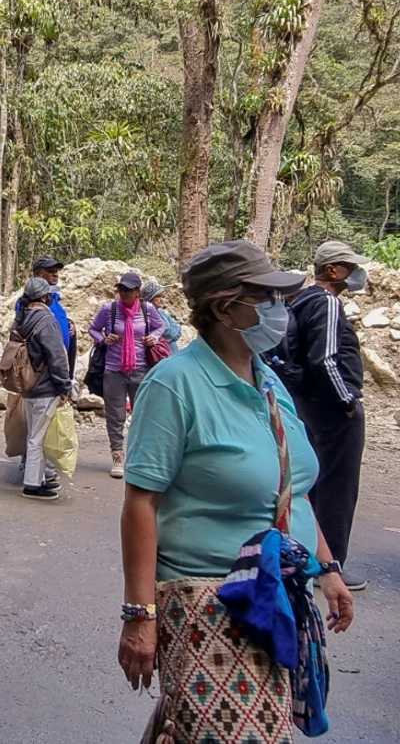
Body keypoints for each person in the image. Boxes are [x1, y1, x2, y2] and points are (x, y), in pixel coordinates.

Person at [118, 241, 354, 742]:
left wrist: (326, 567)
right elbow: (142, 502)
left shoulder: (268, 381)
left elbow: (291, 487)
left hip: (276, 595)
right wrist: (140, 615)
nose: (281, 311)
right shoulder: (174, 385)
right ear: (226, 308)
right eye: (268, 298)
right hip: (209, 601)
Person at [283, 240, 371, 592]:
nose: (354, 275)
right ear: (333, 270)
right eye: (348, 267)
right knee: (338, 486)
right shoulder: (329, 303)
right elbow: (326, 359)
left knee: (313, 483)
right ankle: (331, 563)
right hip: (332, 411)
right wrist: (348, 400)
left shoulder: (301, 301)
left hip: (308, 406)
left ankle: (308, 555)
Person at [87, 271, 165, 479]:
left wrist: (154, 337)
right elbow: (93, 329)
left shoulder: (148, 310)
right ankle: (117, 456)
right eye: (121, 289)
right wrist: (104, 339)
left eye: (128, 290)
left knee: (142, 414)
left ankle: (138, 456)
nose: (124, 294)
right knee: (115, 415)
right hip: (114, 370)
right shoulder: (109, 309)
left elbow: (161, 327)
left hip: (141, 369)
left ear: (138, 292)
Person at [12, 278, 73, 501]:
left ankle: (37, 480)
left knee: (34, 434)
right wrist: (64, 385)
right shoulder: (45, 319)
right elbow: (56, 355)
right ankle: (32, 485)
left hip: (28, 386)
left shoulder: (22, 319)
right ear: (45, 297)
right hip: (45, 387)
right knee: (38, 438)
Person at [31, 256, 77, 372]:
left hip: (59, 363)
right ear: (38, 274)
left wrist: (68, 325)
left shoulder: (54, 298)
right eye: (51, 271)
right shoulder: (29, 302)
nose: (55, 274)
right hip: (43, 366)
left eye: (56, 271)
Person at [141, 280, 183, 355]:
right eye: (158, 296)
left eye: (162, 296)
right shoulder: (145, 316)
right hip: (160, 355)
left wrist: (171, 333)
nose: (162, 299)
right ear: (150, 298)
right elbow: (170, 333)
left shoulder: (161, 312)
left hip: (173, 353)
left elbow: (178, 330)